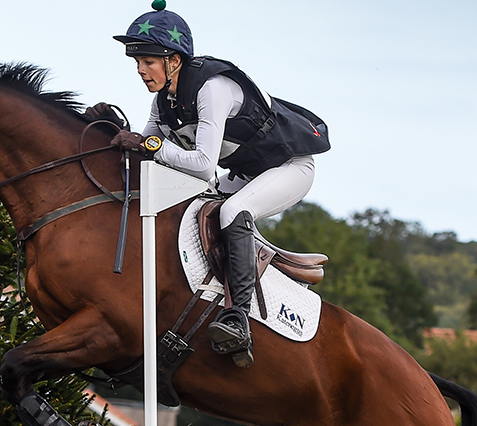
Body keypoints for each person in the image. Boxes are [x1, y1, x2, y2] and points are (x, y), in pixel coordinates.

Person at [110, 0, 330, 367]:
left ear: (174, 60)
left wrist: (148, 144)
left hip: (290, 167)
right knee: (193, 208)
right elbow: (146, 150)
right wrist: (114, 134)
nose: (140, 70)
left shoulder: (212, 88)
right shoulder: (164, 101)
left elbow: (200, 165)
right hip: (247, 172)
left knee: (233, 211)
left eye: (148, 61)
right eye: (137, 62)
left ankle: (237, 318)